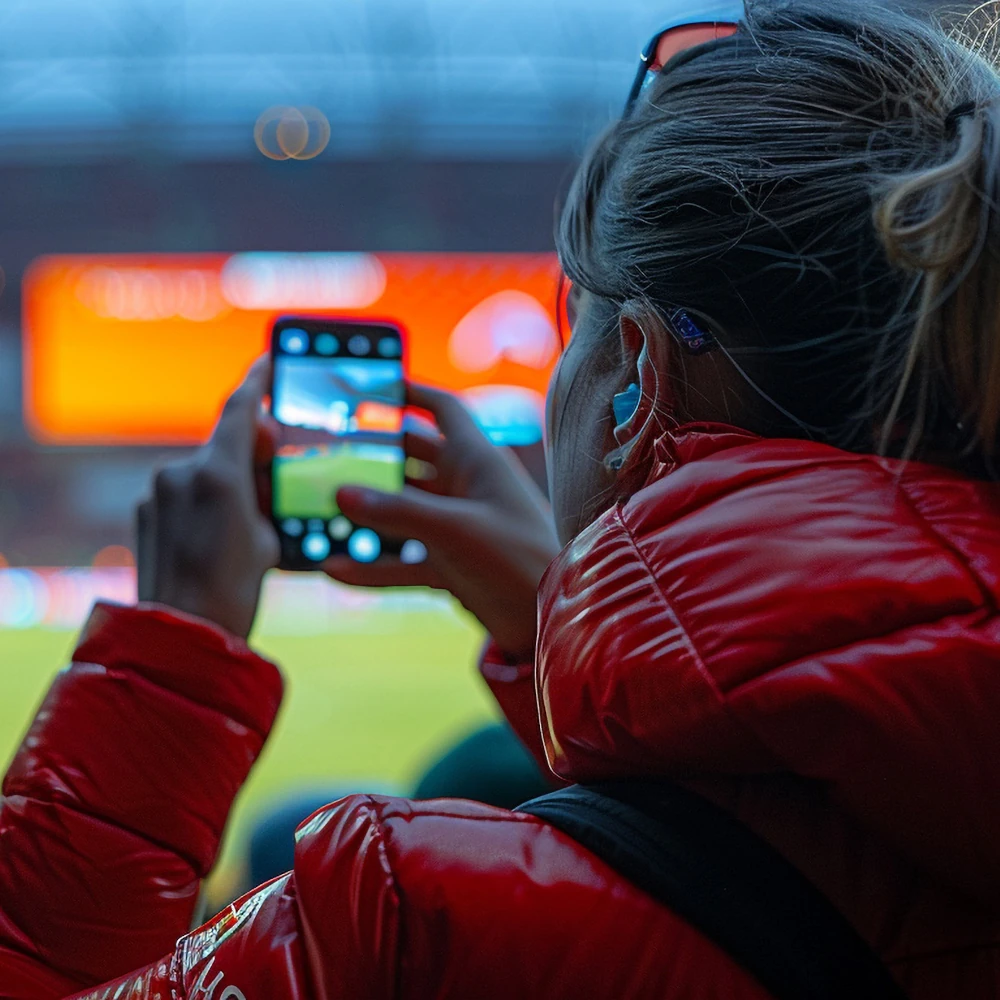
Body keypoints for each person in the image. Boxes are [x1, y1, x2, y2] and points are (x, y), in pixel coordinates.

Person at [3, 1, 1000, 996]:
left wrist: (163, 656)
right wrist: (550, 619)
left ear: (636, 381)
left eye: (574, 317)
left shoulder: (408, 922)